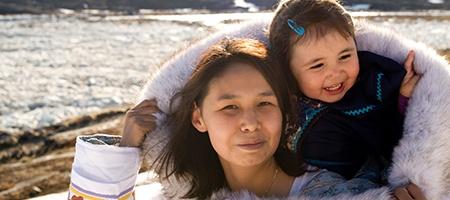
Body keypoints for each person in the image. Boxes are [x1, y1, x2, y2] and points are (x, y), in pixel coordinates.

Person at [69, 38, 426, 200]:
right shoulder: (186, 193)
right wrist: (126, 149)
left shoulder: (334, 191)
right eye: (229, 107)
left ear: (286, 113)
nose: (250, 122)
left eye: (264, 104)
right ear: (199, 118)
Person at [268, 0, 421, 179]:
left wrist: (403, 97)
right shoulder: (278, 107)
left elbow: (392, 138)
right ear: (288, 72)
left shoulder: (373, 84)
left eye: (345, 56)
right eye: (317, 65)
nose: (335, 73)